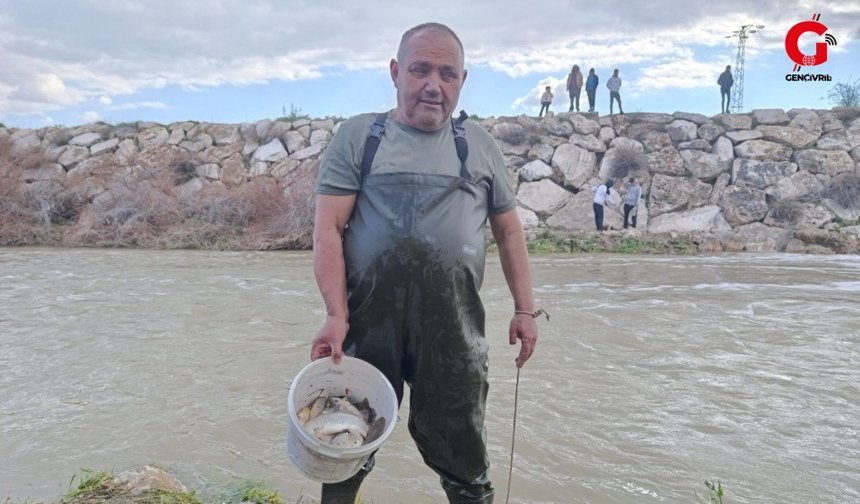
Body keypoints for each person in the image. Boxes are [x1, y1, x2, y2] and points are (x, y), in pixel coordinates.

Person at [311, 22, 538, 504]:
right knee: (345, 441)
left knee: (463, 454)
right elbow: (328, 229)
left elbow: (509, 232)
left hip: (453, 329)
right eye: (420, 70)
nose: (434, 85)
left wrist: (524, 309)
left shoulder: (478, 144)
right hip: (368, 326)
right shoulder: (360, 137)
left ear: (462, 81)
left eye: (447, 74)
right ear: (396, 72)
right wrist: (335, 315)